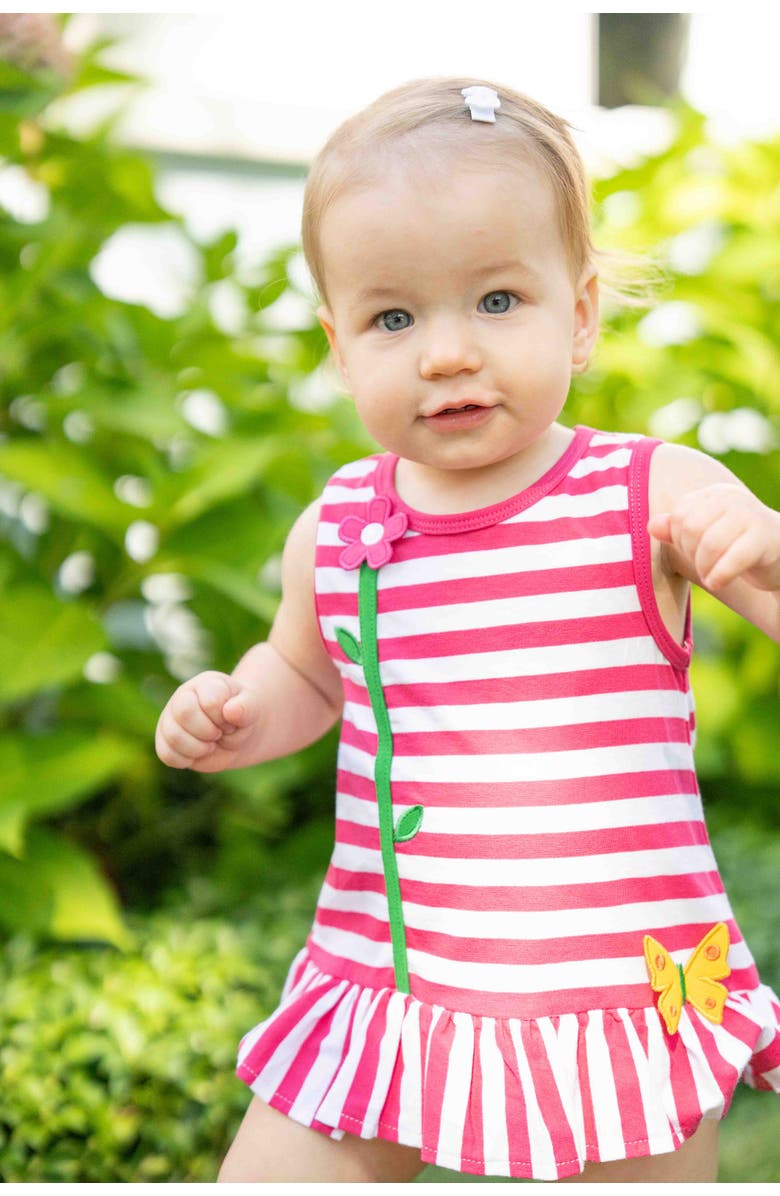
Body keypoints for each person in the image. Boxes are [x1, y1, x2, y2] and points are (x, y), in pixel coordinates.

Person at [155, 77, 780, 1183]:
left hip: (615, 995)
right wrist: (239, 711)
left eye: (497, 301)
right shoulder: (337, 526)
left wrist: (764, 549)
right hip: (391, 986)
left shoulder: (645, 495)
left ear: (578, 313)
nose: (446, 351)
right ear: (340, 344)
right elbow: (305, 671)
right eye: (394, 316)